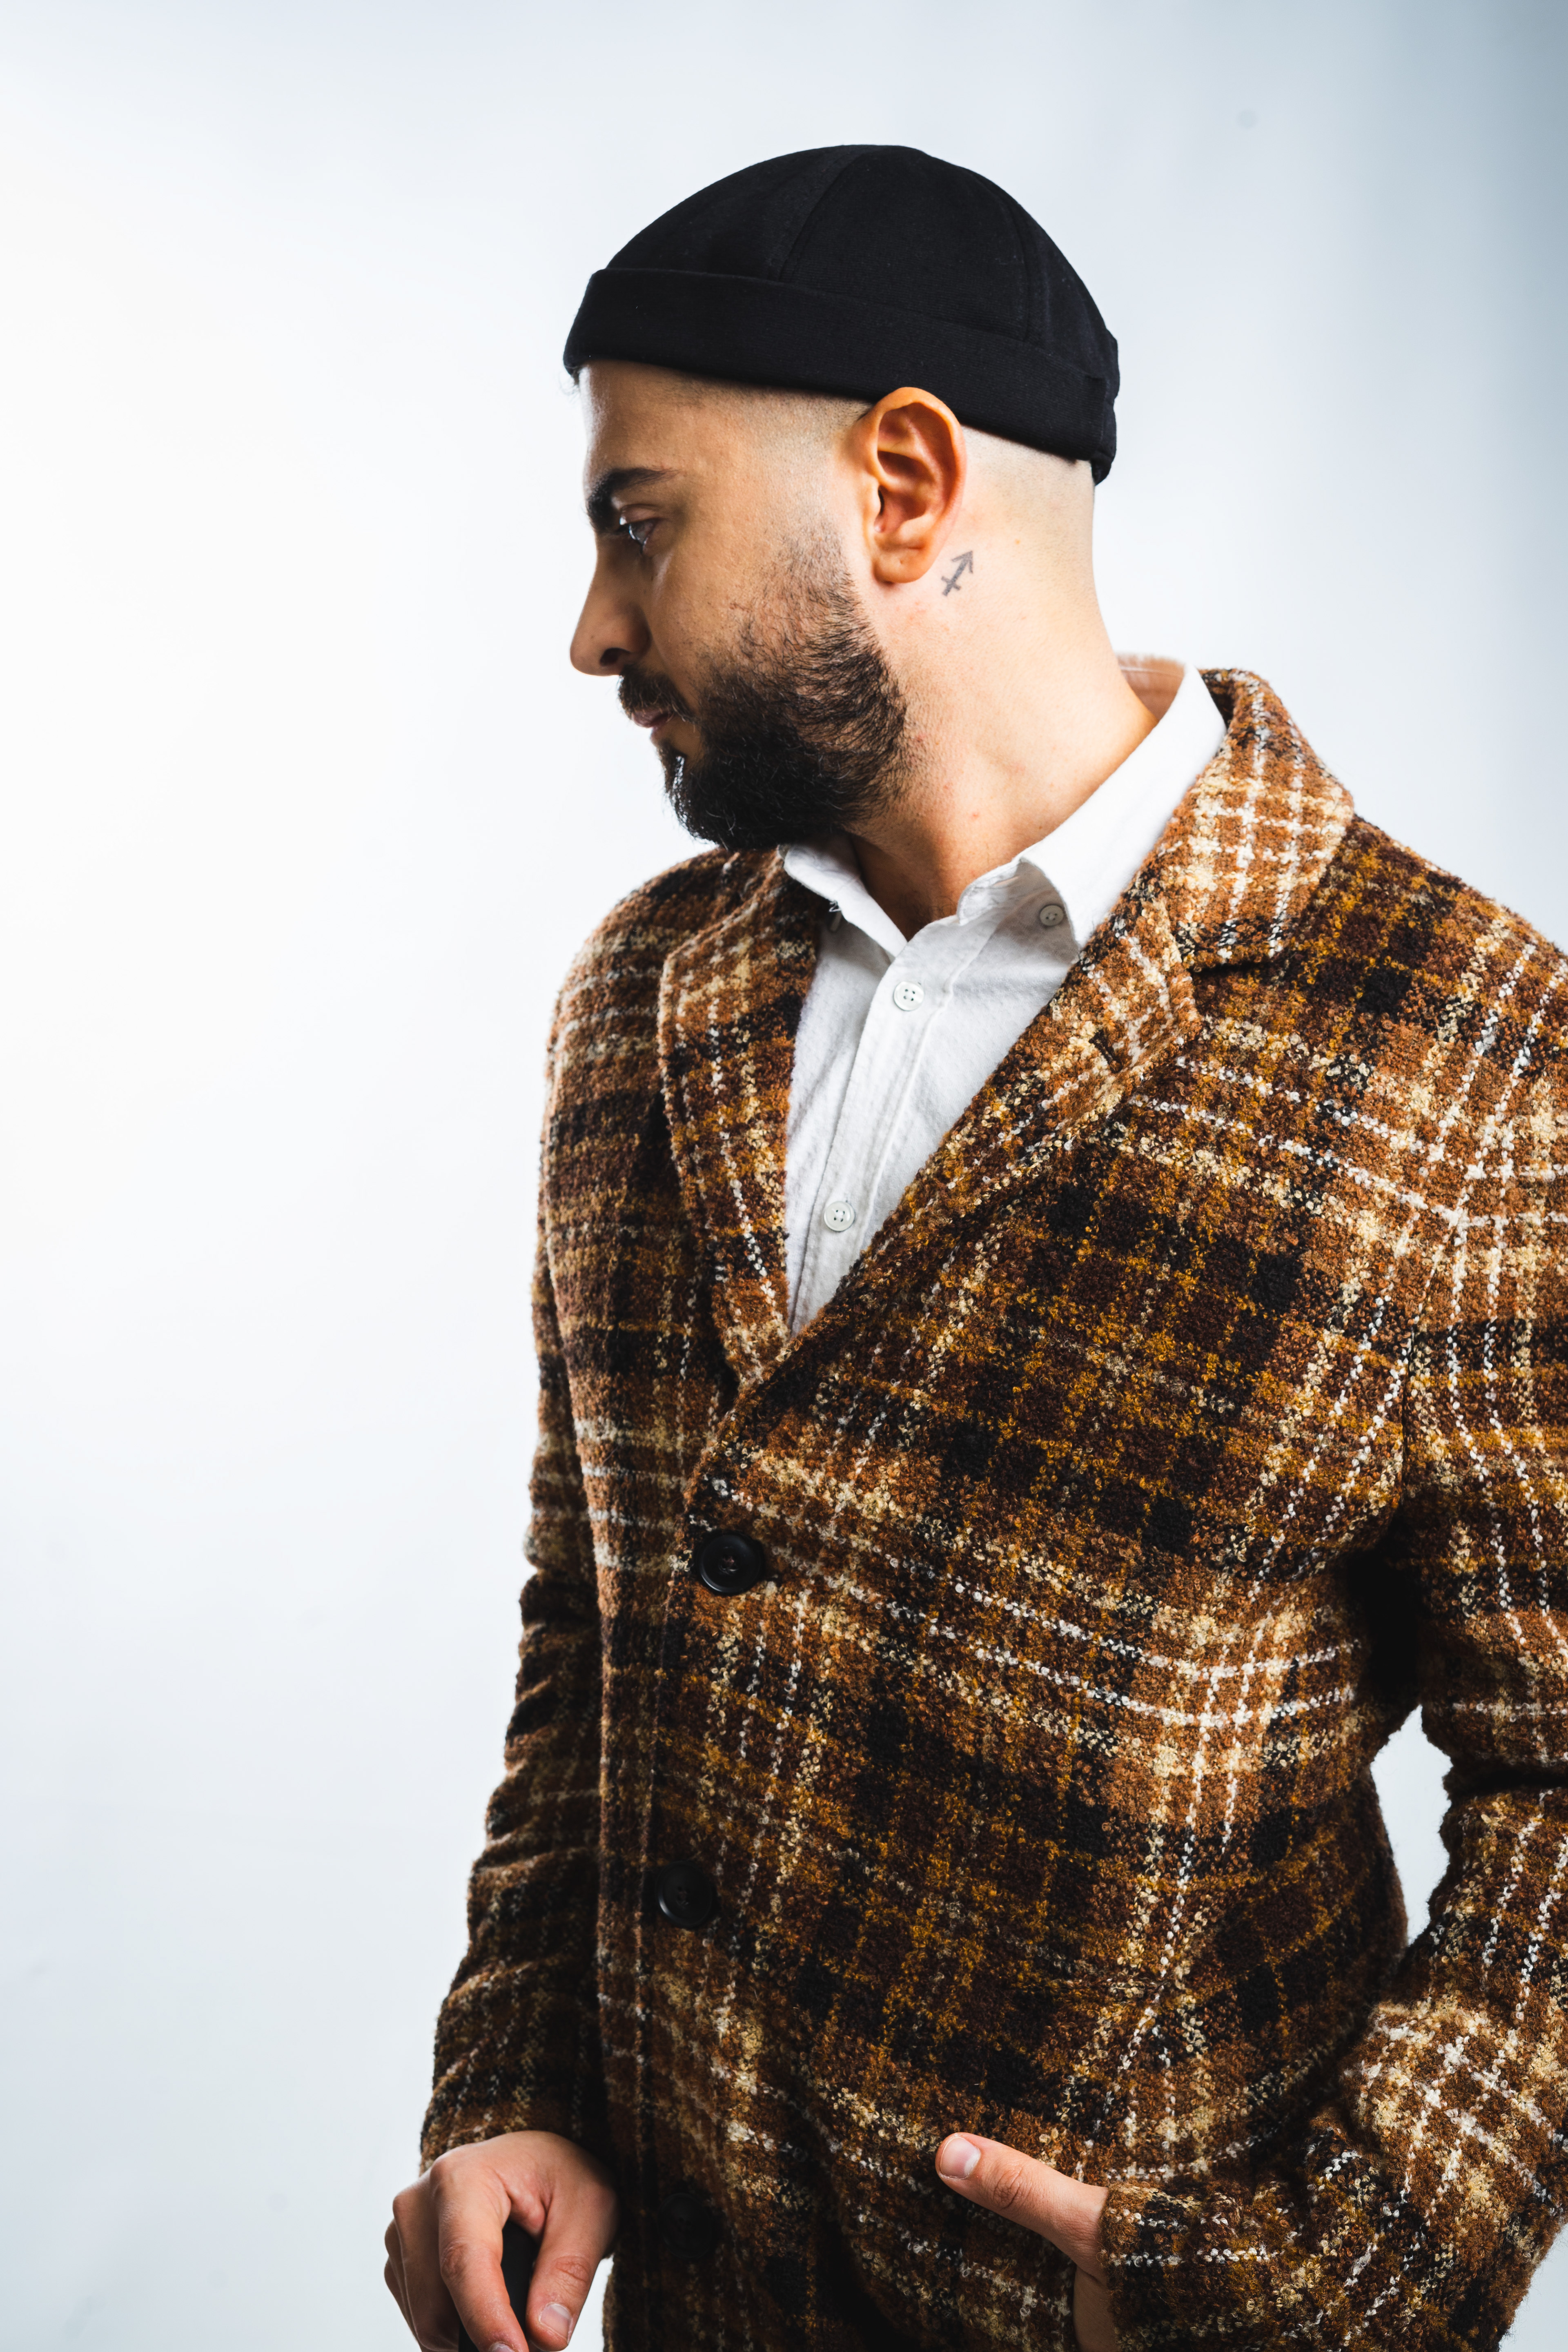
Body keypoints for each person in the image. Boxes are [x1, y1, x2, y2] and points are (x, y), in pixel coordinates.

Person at [383, 146, 1568, 2352]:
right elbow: (603, 1625)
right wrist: (522, 2077)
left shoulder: (1469, 1055)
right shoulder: (645, 996)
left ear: (908, 487)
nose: (595, 629)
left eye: (640, 522)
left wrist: (1334, 2288)